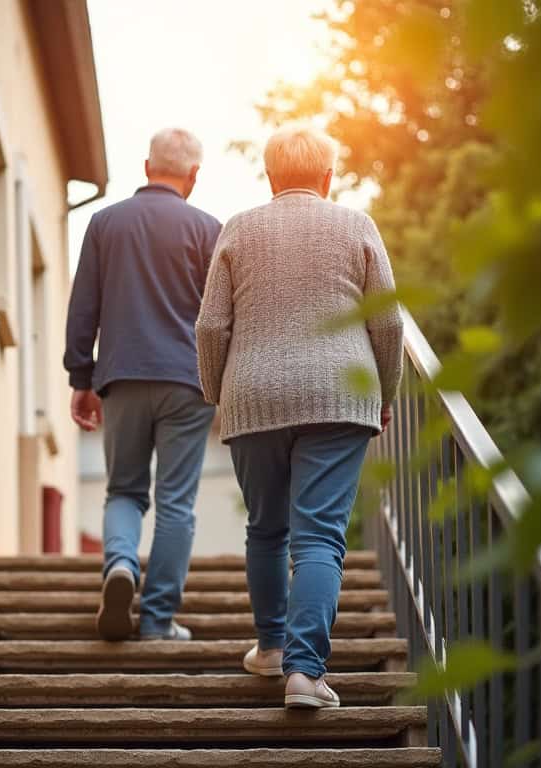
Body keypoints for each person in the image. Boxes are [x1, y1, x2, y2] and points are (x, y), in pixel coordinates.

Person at [195, 123, 403, 707]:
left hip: (253, 398)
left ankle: (269, 650)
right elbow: (387, 323)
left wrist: (219, 393)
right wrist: (383, 393)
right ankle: (305, 674)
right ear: (328, 176)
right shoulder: (356, 225)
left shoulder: (240, 228)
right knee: (319, 539)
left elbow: (212, 325)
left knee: (266, 529)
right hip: (339, 397)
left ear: (270, 176)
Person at [64, 127, 222, 641]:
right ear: (193, 175)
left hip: (123, 376)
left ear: (145, 165)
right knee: (176, 500)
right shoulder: (208, 230)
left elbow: (83, 306)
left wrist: (80, 378)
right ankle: (156, 621)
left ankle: (121, 565)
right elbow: (222, 316)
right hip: (187, 381)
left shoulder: (105, 223)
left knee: (124, 491)